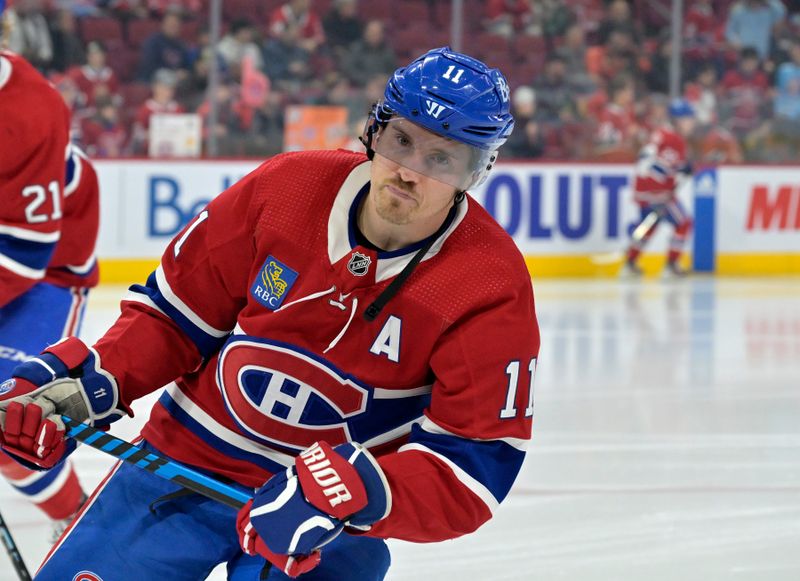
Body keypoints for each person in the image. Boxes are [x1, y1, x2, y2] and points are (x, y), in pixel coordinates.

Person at [0, 47, 540, 580]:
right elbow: (173, 317)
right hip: (179, 464)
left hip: (328, 521)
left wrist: (364, 491)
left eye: (440, 158)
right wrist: (89, 385)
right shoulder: (284, 189)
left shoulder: (490, 284)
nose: (407, 173)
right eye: (401, 140)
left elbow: (472, 463)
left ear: (477, 170)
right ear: (374, 132)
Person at [0, 45, 100, 540]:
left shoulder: (26, 110)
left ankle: (75, 519)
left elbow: (24, 256)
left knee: (9, 426)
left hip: (47, 272)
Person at [620, 98, 697, 278]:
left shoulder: (661, 133)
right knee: (683, 222)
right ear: (678, 120)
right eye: (688, 119)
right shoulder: (674, 139)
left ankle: (630, 263)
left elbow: (650, 163)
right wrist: (682, 169)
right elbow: (661, 169)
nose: (691, 123)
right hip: (656, 192)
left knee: (649, 226)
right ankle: (671, 265)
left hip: (643, 190)